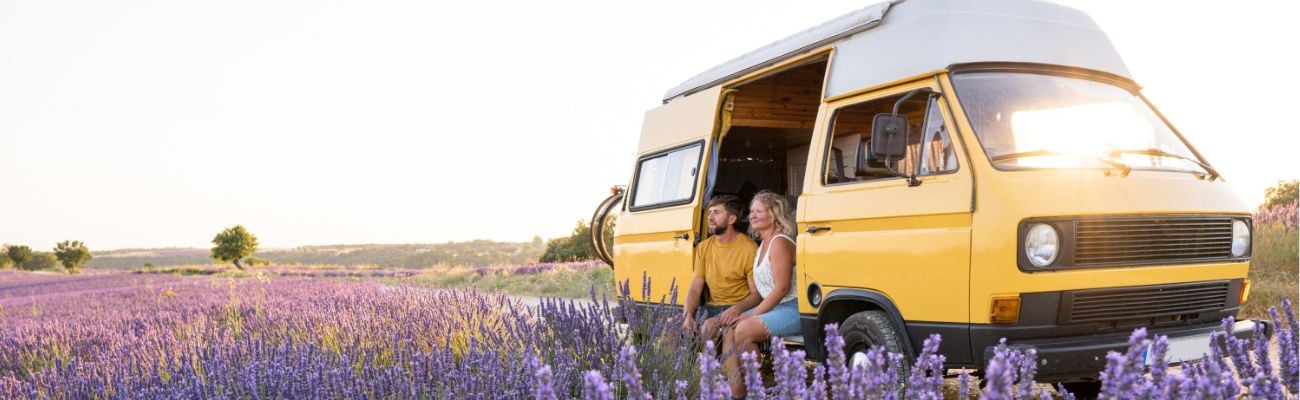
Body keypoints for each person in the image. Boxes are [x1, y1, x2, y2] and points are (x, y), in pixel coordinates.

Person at [722, 191, 799, 398]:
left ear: (773, 215)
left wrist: (752, 315)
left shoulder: (780, 242)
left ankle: (754, 391)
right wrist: (739, 309)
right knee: (729, 328)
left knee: (744, 328)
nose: (752, 215)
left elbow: (782, 288)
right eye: (751, 211)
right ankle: (737, 390)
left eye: (759, 211)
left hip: (793, 307)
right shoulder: (762, 245)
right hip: (774, 306)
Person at [682, 195, 760, 344]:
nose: (710, 217)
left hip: (739, 308)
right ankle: (678, 368)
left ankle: (708, 367)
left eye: (716, 213)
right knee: (670, 326)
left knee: (708, 327)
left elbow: (757, 294)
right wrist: (688, 316)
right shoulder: (703, 247)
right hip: (712, 308)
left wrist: (736, 309)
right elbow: (694, 289)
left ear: (731, 219)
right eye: (709, 212)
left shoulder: (749, 248)